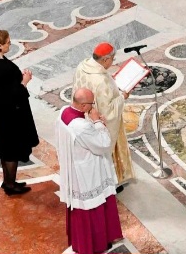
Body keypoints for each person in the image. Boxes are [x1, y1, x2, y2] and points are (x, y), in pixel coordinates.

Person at [54, 86, 124, 254]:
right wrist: (98, 122)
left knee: (84, 208)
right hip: (88, 171)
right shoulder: (82, 126)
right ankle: (97, 244)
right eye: (92, 104)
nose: (93, 106)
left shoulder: (64, 112)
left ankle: (84, 242)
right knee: (94, 207)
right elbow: (103, 144)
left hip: (75, 166)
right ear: (84, 106)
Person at [0, 29, 39, 196]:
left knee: (4, 147)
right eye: (7, 42)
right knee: (12, 150)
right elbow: (11, 94)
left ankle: (8, 181)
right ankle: (11, 185)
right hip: (10, 114)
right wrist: (24, 82)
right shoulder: (2, 68)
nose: (10, 44)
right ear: (0, 45)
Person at [73, 42, 134, 186]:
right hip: (97, 121)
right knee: (104, 150)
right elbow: (108, 112)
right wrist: (122, 97)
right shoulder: (101, 80)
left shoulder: (83, 66)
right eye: (112, 59)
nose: (113, 62)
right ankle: (109, 182)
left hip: (83, 117)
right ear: (105, 59)